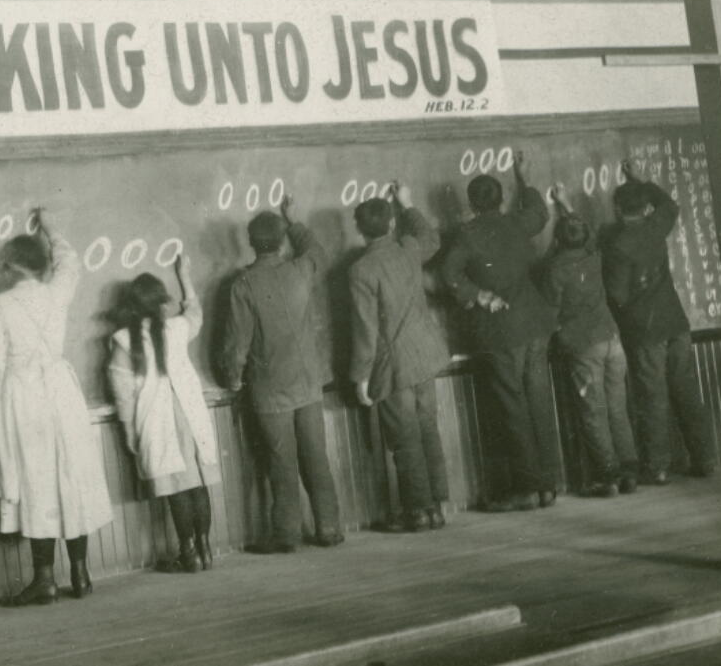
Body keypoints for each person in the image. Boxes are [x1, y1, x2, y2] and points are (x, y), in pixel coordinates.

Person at [0, 209, 113, 605]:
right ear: (38, 266)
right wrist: (51, 227)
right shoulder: (57, 290)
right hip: (61, 390)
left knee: (37, 482)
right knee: (70, 476)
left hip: (22, 397)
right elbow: (70, 260)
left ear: (8, 267)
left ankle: (45, 579)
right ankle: (82, 573)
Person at [222, 194, 343, 552]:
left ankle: (286, 535)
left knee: (281, 463)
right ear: (281, 240)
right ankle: (329, 528)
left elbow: (237, 344)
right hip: (308, 382)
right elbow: (318, 252)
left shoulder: (243, 286)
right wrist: (294, 221)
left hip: (270, 389)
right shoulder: (300, 269)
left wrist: (233, 378)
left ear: (250, 242)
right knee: (316, 458)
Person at [441, 152, 560, 512]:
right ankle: (548, 483)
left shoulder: (466, 234)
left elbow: (449, 274)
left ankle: (527, 487)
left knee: (512, 407)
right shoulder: (515, 223)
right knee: (538, 399)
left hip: (501, 331)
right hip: (536, 325)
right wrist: (523, 178)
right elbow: (540, 213)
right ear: (501, 198)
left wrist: (478, 296)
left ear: (471, 204)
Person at [601, 167, 716, 485]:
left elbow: (617, 294)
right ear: (644, 208)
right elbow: (671, 205)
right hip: (675, 321)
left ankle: (658, 467)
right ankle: (704, 459)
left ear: (618, 210)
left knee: (652, 396)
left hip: (645, 329)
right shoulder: (656, 225)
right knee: (685, 388)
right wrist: (640, 181)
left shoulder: (619, 245)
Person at [348, 182, 451, 532]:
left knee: (405, 440)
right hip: (425, 354)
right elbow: (430, 239)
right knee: (427, 430)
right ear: (391, 225)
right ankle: (437, 506)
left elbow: (365, 330)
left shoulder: (360, 270)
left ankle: (418, 512)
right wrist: (407, 204)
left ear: (359, 230)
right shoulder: (408, 248)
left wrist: (361, 377)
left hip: (393, 366)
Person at [108, 254, 220, 573]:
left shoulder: (123, 339)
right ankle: (205, 548)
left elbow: (123, 394)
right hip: (189, 415)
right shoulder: (177, 327)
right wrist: (184, 275)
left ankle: (188, 554)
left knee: (176, 488)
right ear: (162, 304)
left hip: (157, 422)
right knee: (197, 484)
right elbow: (195, 313)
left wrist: (130, 432)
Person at [543, 185, 638, 497]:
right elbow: (581, 232)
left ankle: (608, 476)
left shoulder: (556, 269)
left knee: (593, 410)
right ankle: (629, 471)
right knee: (617, 407)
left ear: (557, 240)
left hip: (585, 346)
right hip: (613, 339)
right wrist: (566, 203)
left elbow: (551, 310)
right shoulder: (594, 256)